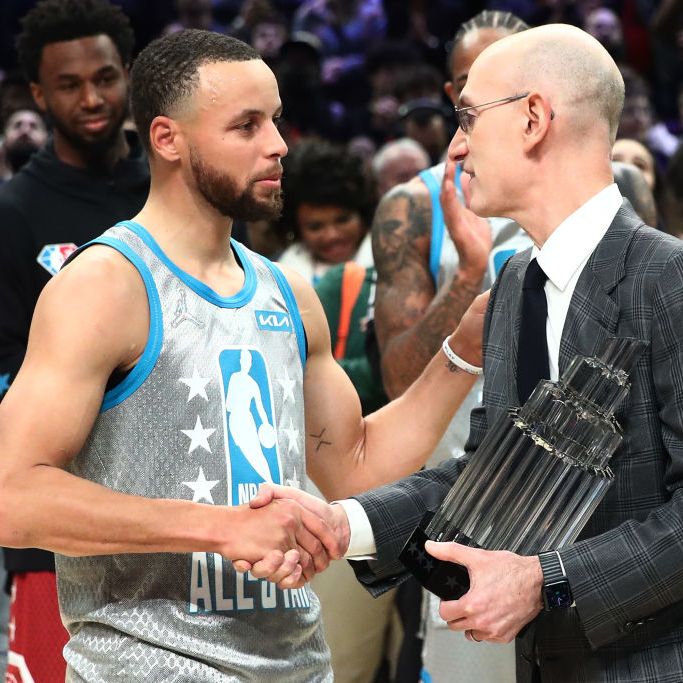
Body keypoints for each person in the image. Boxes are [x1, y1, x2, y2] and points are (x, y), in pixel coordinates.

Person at [0, 28, 489, 680]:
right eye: (246, 125)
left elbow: (354, 467)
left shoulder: (285, 291)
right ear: (168, 139)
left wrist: (461, 350)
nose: (278, 144)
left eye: (277, 120)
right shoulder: (106, 283)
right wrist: (218, 527)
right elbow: (11, 494)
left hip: (294, 663)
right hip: (149, 666)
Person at [256, 22, 683, 683]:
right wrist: (344, 523)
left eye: (469, 117)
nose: (455, 146)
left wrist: (545, 582)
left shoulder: (668, 278)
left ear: (534, 118)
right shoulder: (514, 284)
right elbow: (489, 469)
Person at [371, 10, 529, 683]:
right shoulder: (411, 207)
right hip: (462, 503)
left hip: (581, 502)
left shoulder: (607, 193)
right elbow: (397, 377)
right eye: (474, 85)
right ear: (453, 96)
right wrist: (467, 274)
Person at [0, 1, 149, 680]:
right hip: (58, 537)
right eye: (69, 84)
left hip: (185, 507)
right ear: (38, 94)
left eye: (106, 76)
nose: (92, 98)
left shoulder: (175, 189)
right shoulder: (15, 213)